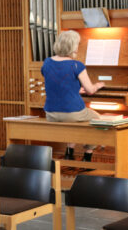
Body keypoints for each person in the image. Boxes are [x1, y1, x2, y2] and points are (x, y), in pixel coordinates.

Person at [41, 30, 105, 161]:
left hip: (51, 113)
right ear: (72, 46)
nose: (77, 47)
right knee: (97, 118)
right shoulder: (76, 65)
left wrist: (74, 89)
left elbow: (58, 83)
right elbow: (90, 90)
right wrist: (98, 85)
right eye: (77, 44)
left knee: (73, 121)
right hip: (72, 112)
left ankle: (69, 152)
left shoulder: (47, 62)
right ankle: (88, 155)